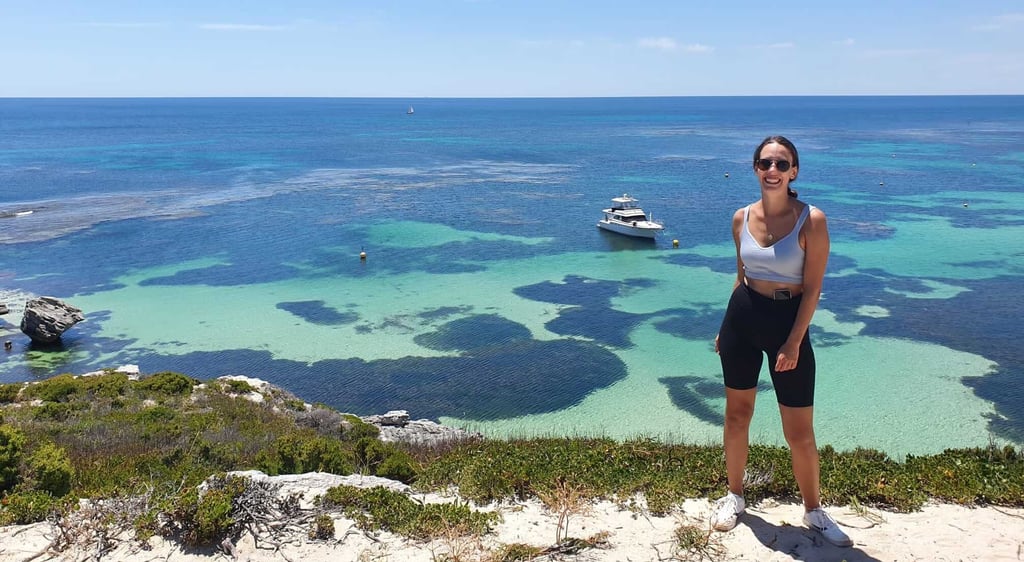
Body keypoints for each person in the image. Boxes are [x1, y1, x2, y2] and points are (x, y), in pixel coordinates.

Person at [711, 135, 852, 547]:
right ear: (755, 168)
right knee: (737, 415)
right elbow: (741, 276)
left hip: (789, 322)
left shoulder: (812, 220)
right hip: (742, 317)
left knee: (799, 430)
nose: (772, 170)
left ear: (794, 172)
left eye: (781, 164)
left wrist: (793, 342)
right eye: (765, 163)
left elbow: (813, 289)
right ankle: (735, 496)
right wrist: (725, 327)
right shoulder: (740, 218)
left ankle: (814, 509)